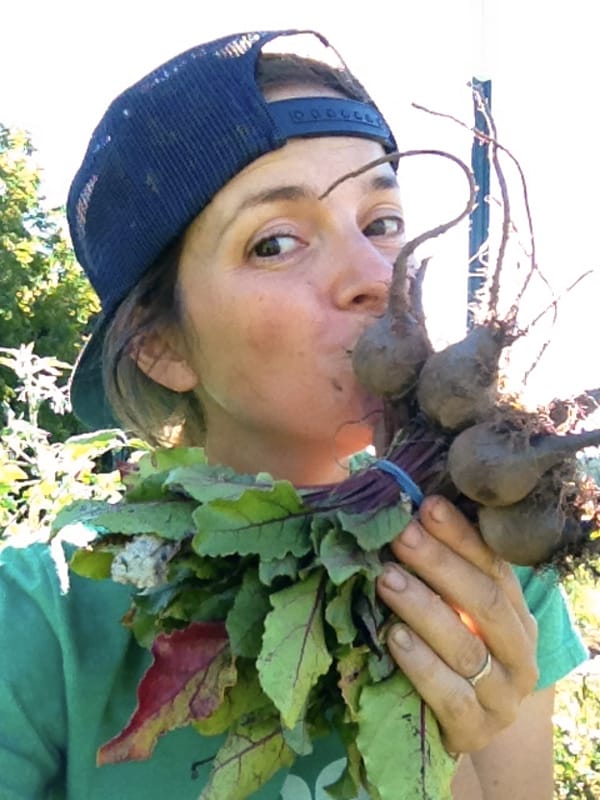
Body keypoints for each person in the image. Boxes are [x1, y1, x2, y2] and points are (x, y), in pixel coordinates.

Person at [0, 28, 588, 800]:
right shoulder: (43, 624)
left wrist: (462, 755)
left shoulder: (488, 569)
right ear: (162, 346)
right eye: (275, 243)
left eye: (381, 222)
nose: (376, 277)